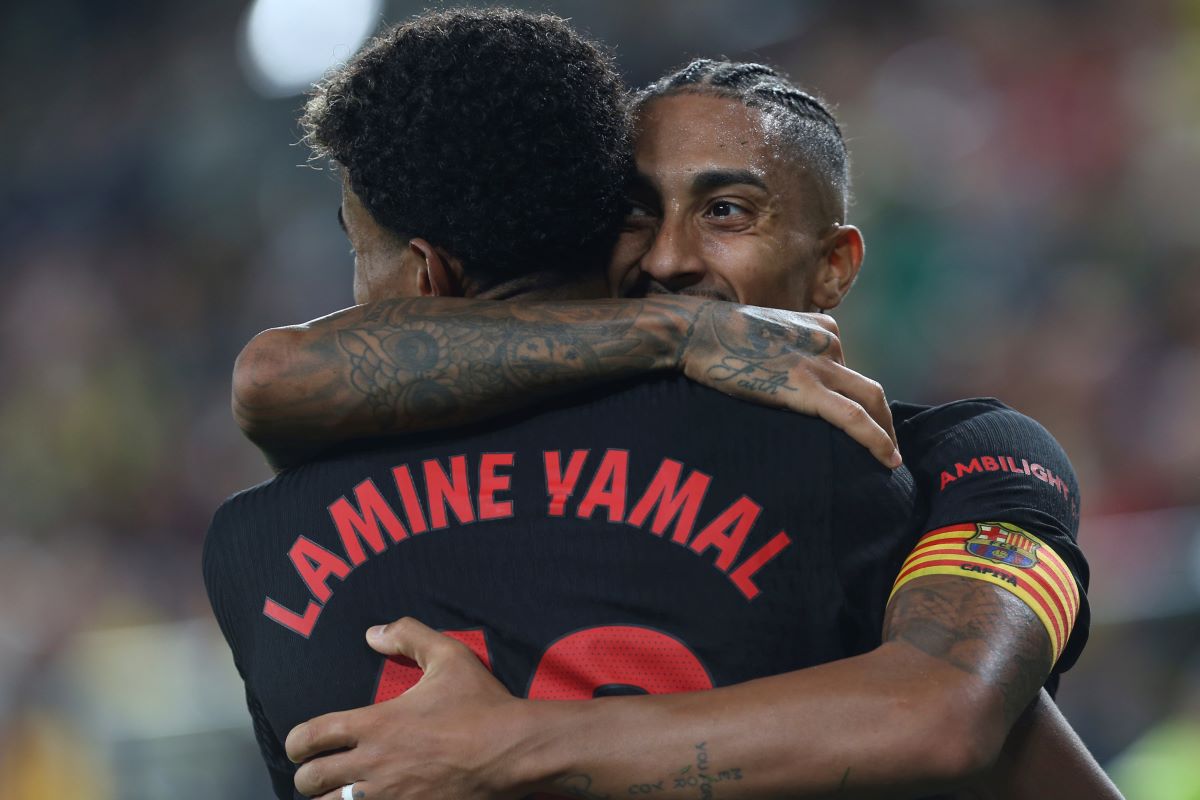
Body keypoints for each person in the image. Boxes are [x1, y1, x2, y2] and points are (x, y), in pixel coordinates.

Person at [210, 11, 1114, 800]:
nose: (673, 260)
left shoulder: (941, 461)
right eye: (638, 213)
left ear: (834, 264)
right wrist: (673, 338)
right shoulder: (850, 487)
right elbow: (273, 373)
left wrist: (517, 743)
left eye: (726, 211)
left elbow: (945, 714)